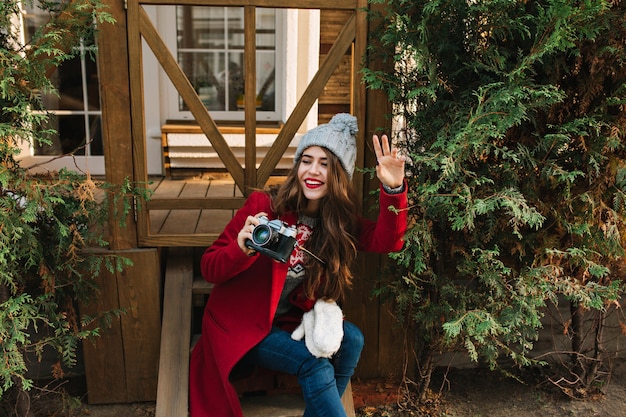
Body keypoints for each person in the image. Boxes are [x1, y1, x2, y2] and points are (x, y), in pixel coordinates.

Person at [189, 113, 408, 417]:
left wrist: (393, 190)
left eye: (325, 164)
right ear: (297, 166)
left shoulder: (339, 222)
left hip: (286, 322)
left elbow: (388, 241)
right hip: (242, 322)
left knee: (353, 339)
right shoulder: (264, 207)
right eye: (307, 160)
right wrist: (241, 249)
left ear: (339, 175)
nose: (313, 171)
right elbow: (209, 267)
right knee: (314, 365)